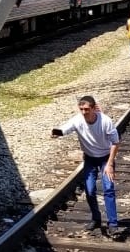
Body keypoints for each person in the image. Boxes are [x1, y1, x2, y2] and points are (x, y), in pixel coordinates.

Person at [50, 95, 119, 233]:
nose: (83, 112)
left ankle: (113, 224)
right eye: (81, 109)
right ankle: (96, 219)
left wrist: (110, 164)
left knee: (108, 188)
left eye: (86, 109)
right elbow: (64, 129)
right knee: (90, 190)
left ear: (94, 108)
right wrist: (55, 133)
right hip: (90, 159)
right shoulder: (77, 120)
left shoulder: (105, 121)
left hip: (105, 158)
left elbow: (115, 143)